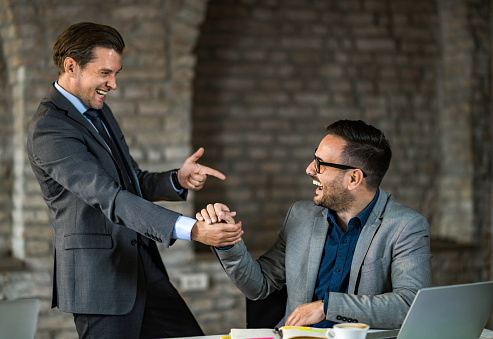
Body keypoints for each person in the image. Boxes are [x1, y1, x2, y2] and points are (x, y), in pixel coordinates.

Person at [27, 22, 243, 339]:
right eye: (105, 73)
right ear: (71, 66)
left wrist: (177, 179)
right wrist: (194, 230)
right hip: (100, 280)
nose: (113, 84)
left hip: (143, 267)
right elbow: (110, 198)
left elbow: (132, 181)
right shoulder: (49, 129)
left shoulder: (99, 111)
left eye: (116, 73)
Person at [197, 119, 432, 329]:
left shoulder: (406, 226)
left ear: (353, 178)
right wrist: (227, 240)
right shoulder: (300, 215)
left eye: (321, 163)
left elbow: (408, 304)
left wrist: (327, 307)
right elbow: (260, 284)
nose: (310, 169)